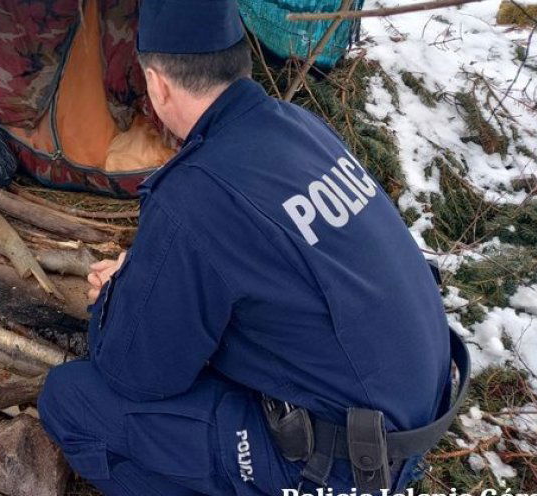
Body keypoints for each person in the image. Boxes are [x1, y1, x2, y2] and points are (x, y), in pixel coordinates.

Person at [37, 0, 470, 494]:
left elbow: (135, 373)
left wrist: (118, 298)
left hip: (349, 465)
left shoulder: (196, 191)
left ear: (157, 83)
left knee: (71, 400)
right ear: (240, 59)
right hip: (410, 414)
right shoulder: (297, 127)